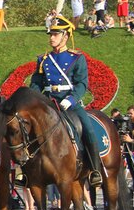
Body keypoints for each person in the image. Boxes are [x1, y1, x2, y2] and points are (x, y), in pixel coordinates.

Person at [30, 14, 103, 187]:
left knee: (88, 129)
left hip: (69, 103)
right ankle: (27, 171)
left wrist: (71, 99)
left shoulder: (76, 58)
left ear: (66, 36)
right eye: (51, 34)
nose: (51, 37)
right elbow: (36, 83)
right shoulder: (44, 59)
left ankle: (95, 169)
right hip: (48, 102)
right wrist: (34, 99)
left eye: (55, 34)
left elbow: (82, 83)